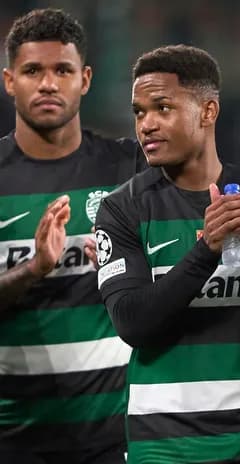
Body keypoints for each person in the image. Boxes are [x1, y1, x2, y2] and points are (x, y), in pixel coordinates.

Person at [95, 44, 240, 463]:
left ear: (208, 112)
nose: (146, 124)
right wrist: (206, 250)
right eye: (139, 112)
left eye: (163, 108)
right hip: (163, 445)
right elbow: (133, 322)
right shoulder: (122, 209)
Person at [0, 8, 144, 463]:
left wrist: (127, 269)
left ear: (84, 79)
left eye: (61, 70)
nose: (47, 83)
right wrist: (34, 269)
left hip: (114, 440)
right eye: (32, 71)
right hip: (13, 438)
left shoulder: (132, 170)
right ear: (9, 81)